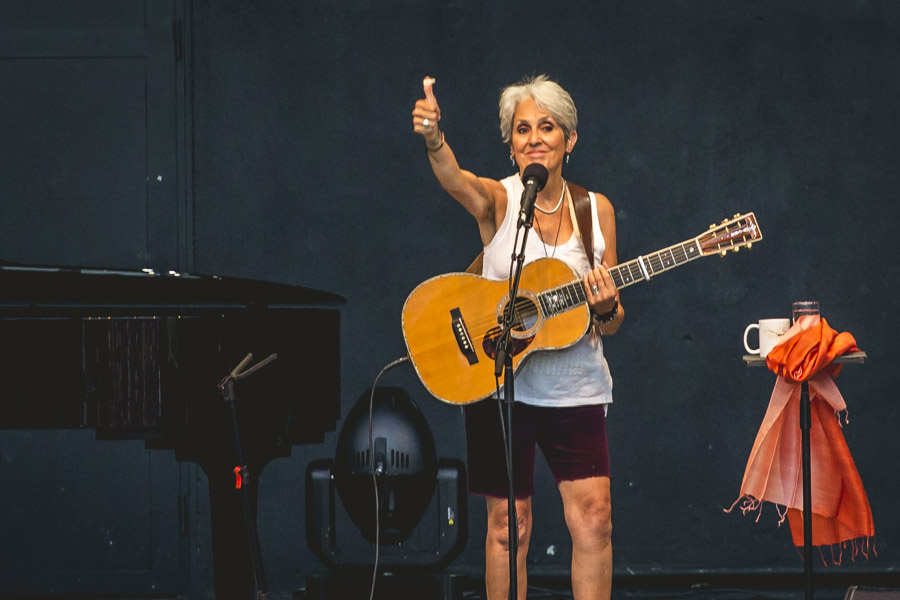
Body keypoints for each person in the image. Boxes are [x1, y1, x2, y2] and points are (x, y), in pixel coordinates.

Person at [412, 74, 623, 600]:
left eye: (547, 127)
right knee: (509, 527)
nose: (534, 138)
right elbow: (454, 178)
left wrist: (606, 305)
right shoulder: (502, 202)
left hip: (574, 386)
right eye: (522, 129)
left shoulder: (595, 211)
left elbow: (613, 319)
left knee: (594, 518)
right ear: (510, 145)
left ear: (569, 139)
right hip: (498, 382)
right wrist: (436, 139)